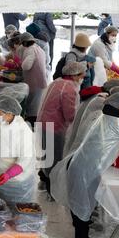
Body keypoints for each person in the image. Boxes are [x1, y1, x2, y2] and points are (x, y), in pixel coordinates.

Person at [50, 93, 119, 238]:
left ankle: (84, 227)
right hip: (86, 167)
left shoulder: (101, 116)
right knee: (82, 202)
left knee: (81, 199)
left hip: (80, 162)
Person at [37, 61, 86, 194]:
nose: (83, 78)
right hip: (54, 126)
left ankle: (44, 182)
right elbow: (70, 114)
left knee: (46, 155)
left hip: (44, 123)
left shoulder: (57, 82)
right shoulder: (69, 89)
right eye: (82, 75)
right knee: (54, 158)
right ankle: (52, 189)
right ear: (75, 75)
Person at [0, 95, 36, 204]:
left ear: (9, 114)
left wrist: (8, 174)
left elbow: (25, 159)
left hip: (16, 182)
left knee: (14, 213)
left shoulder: (23, 131)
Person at [63, 79, 119, 158]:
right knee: (74, 154)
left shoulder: (97, 93)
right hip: (81, 133)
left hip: (79, 129)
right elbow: (114, 116)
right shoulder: (100, 99)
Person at [18, 32, 48, 126]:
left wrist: (21, 63)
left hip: (34, 82)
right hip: (40, 81)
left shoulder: (30, 50)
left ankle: (32, 127)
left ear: (25, 43)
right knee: (36, 106)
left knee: (33, 108)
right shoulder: (39, 48)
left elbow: (26, 66)